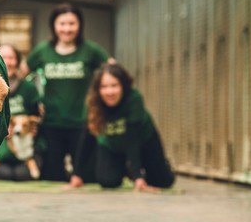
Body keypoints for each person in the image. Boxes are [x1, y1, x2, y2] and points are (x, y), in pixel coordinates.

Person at [20, 3, 110, 181]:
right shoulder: (43, 51)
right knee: (52, 176)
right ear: (54, 26)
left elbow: (113, 74)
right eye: (62, 23)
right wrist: (32, 104)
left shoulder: (91, 50)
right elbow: (20, 76)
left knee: (87, 177)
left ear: (79, 26)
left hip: (82, 122)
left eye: (72, 23)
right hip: (52, 123)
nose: (67, 29)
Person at [70, 63, 175, 191]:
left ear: (123, 86)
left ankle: (156, 167)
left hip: (143, 141)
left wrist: (138, 177)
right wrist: (77, 174)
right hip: (111, 144)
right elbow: (86, 138)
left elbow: (132, 139)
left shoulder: (134, 99)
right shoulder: (93, 102)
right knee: (107, 181)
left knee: (162, 181)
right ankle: (125, 170)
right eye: (104, 87)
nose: (109, 92)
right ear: (98, 89)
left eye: (114, 85)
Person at [0, 44, 42, 181]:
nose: (7, 62)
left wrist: (32, 128)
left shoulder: (28, 88)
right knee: (4, 174)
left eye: (11, 58)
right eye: (3, 57)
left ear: (18, 62)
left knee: (22, 174)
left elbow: (37, 116)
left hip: (24, 146)